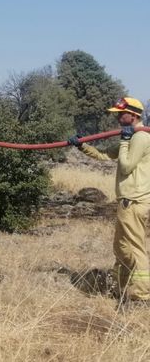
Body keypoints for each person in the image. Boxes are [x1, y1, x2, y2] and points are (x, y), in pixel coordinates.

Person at [68, 97, 150, 305]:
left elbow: (126, 166)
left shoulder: (139, 138)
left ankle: (141, 296)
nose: (116, 117)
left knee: (134, 247)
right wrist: (82, 146)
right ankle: (121, 286)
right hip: (127, 201)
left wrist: (124, 141)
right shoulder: (131, 137)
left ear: (133, 115)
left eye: (120, 114)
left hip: (134, 201)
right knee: (121, 246)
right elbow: (105, 155)